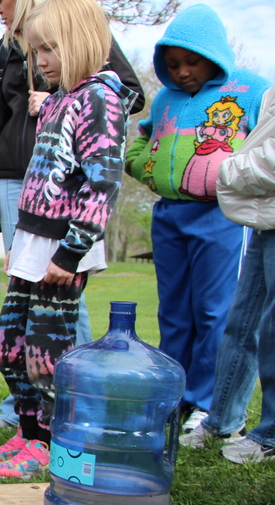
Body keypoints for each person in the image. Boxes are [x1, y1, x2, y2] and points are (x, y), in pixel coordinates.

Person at [0, 0, 138, 478]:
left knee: (46, 357)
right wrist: (21, 247)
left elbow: (101, 182)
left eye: (50, 49)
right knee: (6, 347)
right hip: (33, 244)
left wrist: (70, 253)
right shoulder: (60, 98)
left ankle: (47, 442)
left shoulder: (98, 100)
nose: (40, 60)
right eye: (36, 50)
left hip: (63, 250)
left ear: (83, 43)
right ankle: (27, 432)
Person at [125, 3, 269, 434]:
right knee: (174, 313)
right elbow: (143, 138)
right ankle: (175, 398)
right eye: (172, 64)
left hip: (221, 215)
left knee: (214, 311)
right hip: (169, 214)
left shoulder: (252, 89)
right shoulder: (167, 98)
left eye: (192, 61)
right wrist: (141, 165)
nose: (183, 71)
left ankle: (208, 402)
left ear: (215, 54)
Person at [180, 84, 275, 463]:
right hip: (264, 217)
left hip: (260, 203)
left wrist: (226, 168)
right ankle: (222, 420)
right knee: (243, 322)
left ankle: (270, 433)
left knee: (271, 329)